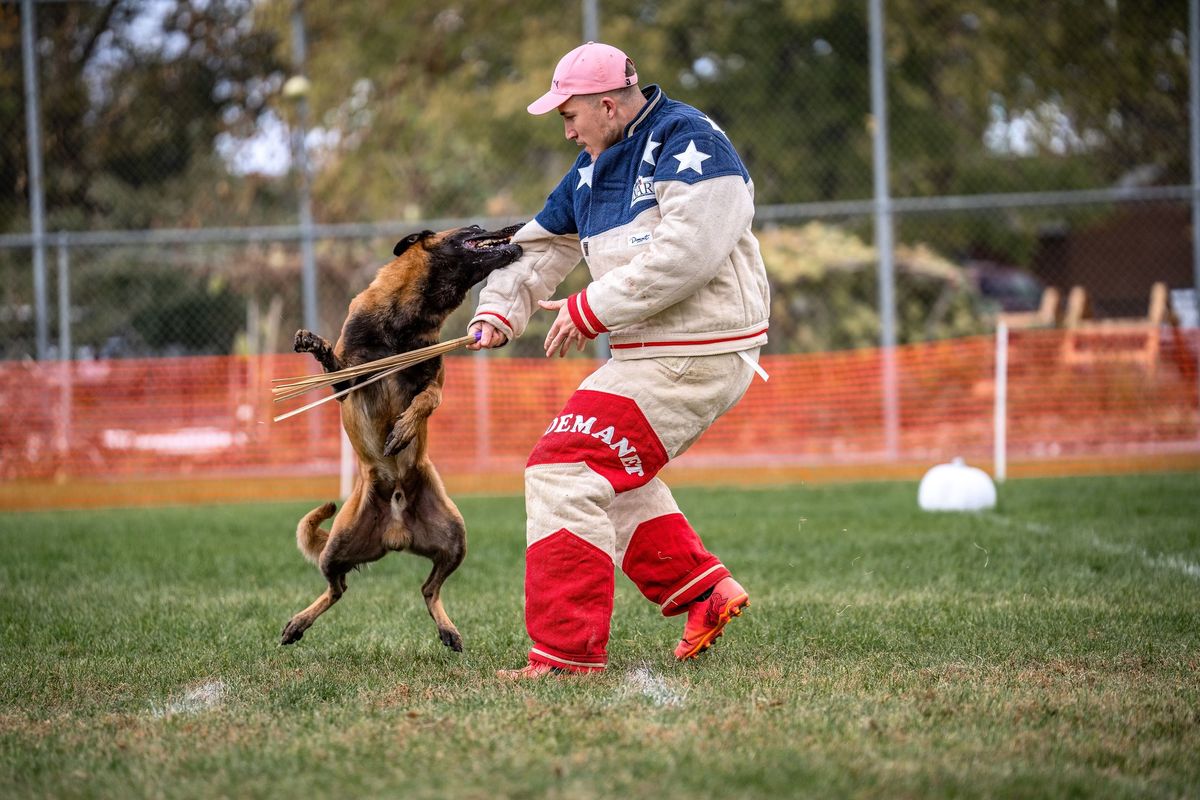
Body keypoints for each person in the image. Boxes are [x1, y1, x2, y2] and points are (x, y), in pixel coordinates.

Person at [467, 41, 771, 679]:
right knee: (602, 474)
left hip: (698, 351)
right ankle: (703, 592)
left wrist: (590, 307)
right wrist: (499, 310)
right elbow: (537, 250)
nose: (567, 127)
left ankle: (567, 656)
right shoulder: (591, 165)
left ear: (607, 104)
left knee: (564, 470)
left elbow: (690, 250)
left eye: (569, 114)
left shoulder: (689, 139)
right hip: (651, 354)